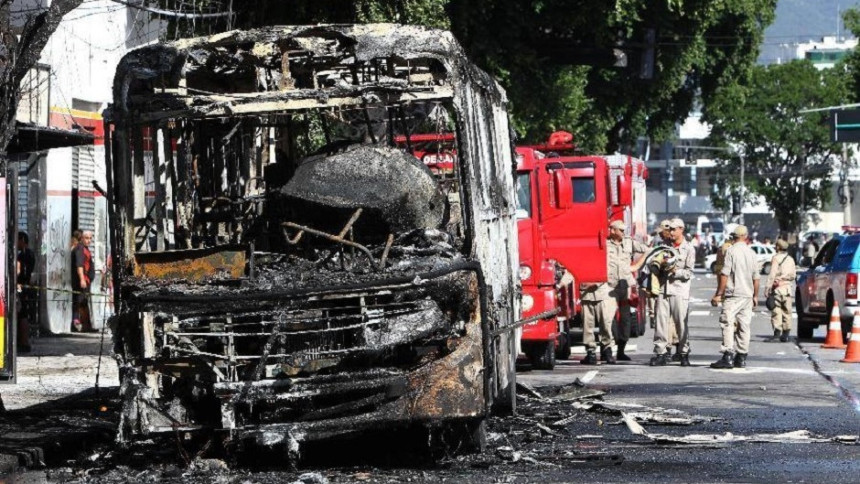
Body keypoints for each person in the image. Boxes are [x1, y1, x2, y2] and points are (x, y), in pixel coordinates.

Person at [710, 225, 760, 369]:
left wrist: (719, 293)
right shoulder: (751, 253)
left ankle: (727, 355)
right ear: (746, 236)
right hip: (748, 295)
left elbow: (725, 274)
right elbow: (756, 278)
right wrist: (755, 296)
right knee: (744, 326)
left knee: (727, 323)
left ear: (734, 237)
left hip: (734, 294)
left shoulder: (731, 251)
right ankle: (742, 357)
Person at [649, 218, 695, 367]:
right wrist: (658, 265)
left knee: (681, 323)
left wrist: (675, 271)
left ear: (682, 229)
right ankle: (661, 353)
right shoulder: (664, 247)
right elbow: (653, 265)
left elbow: (689, 272)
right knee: (660, 323)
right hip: (664, 289)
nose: (671, 232)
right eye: (670, 229)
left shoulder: (688, 249)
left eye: (674, 229)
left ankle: (683, 353)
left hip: (679, 290)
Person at [607, 219, 647, 361]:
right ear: (612, 230)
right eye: (621, 230)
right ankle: (608, 350)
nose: (624, 233)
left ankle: (621, 350)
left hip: (625, 286)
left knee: (625, 319)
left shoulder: (629, 243)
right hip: (609, 286)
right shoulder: (605, 244)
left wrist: (636, 266)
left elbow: (647, 250)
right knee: (608, 318)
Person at [765, 239, 796, 342]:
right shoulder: (790, 259)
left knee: (776, 310)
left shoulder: (776, 258)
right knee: (787, 312)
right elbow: (793, 275)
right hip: (787, 289)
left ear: (778, 247)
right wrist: (785, 279)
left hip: (777, 288)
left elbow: (772, 274)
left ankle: (777, 333)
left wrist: (767, 288)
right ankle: (786, 334)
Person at [71, 230, 95, 332]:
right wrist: (82, 279)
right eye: (86, 238)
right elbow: (79, 266)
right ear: (82, 238)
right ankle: (77, 323)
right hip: (82, 281)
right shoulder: (80, 249)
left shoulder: (85, 249)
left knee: (83, 302)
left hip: (87, 280)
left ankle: (86, 325)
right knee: (79, 302)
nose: (89, 240)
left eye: (90, 238)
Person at [16, 231, 35, 352]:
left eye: (17, 240)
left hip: (21, 287)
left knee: (21, 314)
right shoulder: (31, 254)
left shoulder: (22, 255)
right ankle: (24, 341)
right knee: (24, 315)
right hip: (26, 286)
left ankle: (23, 342)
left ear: (22, 240)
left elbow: (17, 271)